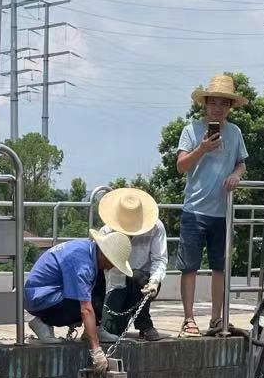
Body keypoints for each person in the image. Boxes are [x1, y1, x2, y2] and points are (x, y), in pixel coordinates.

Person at [175, 73, 248, 337]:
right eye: (213, 102)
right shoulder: (191, 130)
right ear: (205, 103)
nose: (218, 107)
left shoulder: (236, 132)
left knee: (220, 266)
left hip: (222, 211)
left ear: (230, 107)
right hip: (194, 209)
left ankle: (217, 319)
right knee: (189, 267)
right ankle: (188, 318)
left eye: (223, 103)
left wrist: (236, 175)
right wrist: (202, 148)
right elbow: (181, 166)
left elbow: (241, 162)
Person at [23, 228, 133, 374]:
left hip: (51, 292)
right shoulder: (82, 265)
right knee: (83, 307)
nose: (112, 267)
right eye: (113, 263)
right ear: (105, 255)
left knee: (98, 281)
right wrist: (96, 349)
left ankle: (93, 329)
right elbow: (85, 309)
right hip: (40, 298)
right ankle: (43, 322)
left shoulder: (88, 251)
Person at [96, 187, 168, 343]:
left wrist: (155, 281)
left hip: (143, 282)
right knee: (112, 330)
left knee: (136, 276)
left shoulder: (156, 227)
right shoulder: (106, 232)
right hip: (115, 284)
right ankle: (117, 318)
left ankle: (145, 324)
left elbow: (160, 259)